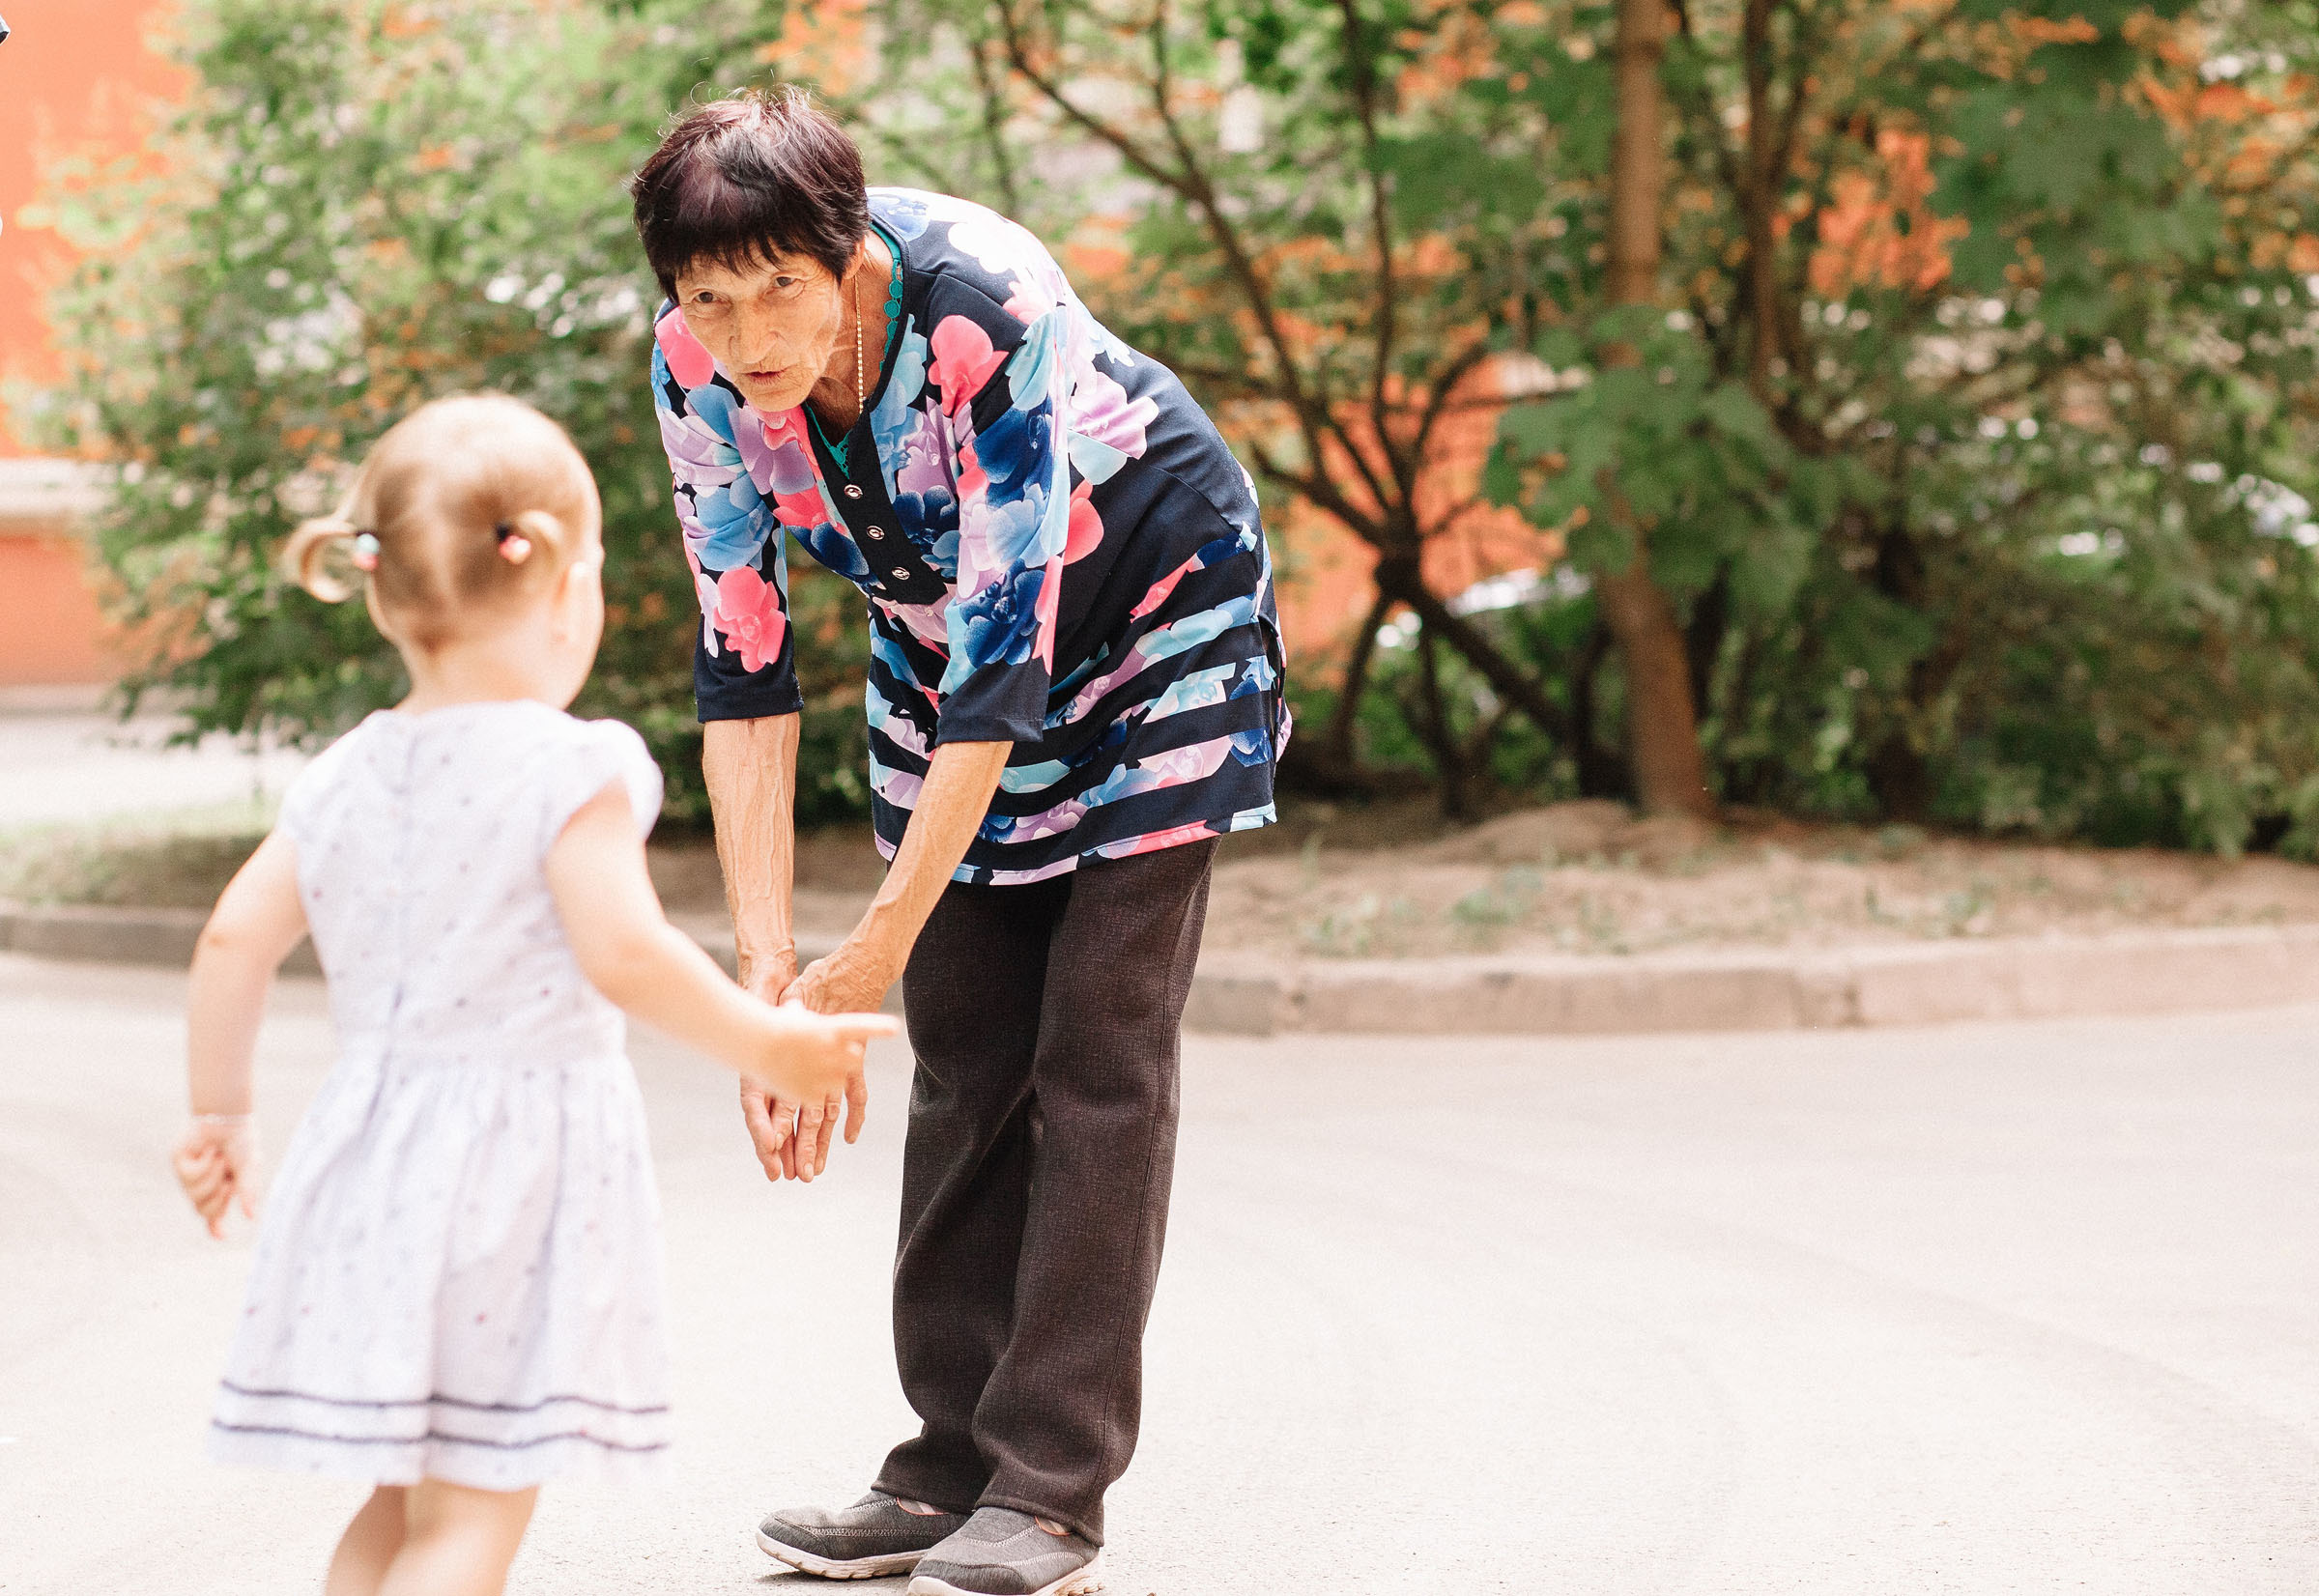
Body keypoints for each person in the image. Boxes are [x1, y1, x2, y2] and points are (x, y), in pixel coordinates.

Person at [630, 90, 1290, 1596]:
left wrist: (872, 938)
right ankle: (946, 1470)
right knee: (964, 1044)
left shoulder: (983, 302)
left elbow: (1013, 663)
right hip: (943, 649)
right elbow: (744, 664)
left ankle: (1051, 1489)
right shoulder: (697, 370)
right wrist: (775, 979)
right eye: (709, 299)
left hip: (1151, 617)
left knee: (1095, 1051)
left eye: (779, 289)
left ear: (847, 254)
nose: (746, 336)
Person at [170, 394, 898, 1596]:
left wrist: (218, 1116)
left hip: (366, 1169)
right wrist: (770, 1040)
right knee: (474, 1511)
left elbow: (230, 939)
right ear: (567, 583)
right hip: (506, 1181)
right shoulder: (572, 766)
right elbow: (625, 953)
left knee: (400, 1498)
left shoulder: (345, 773)